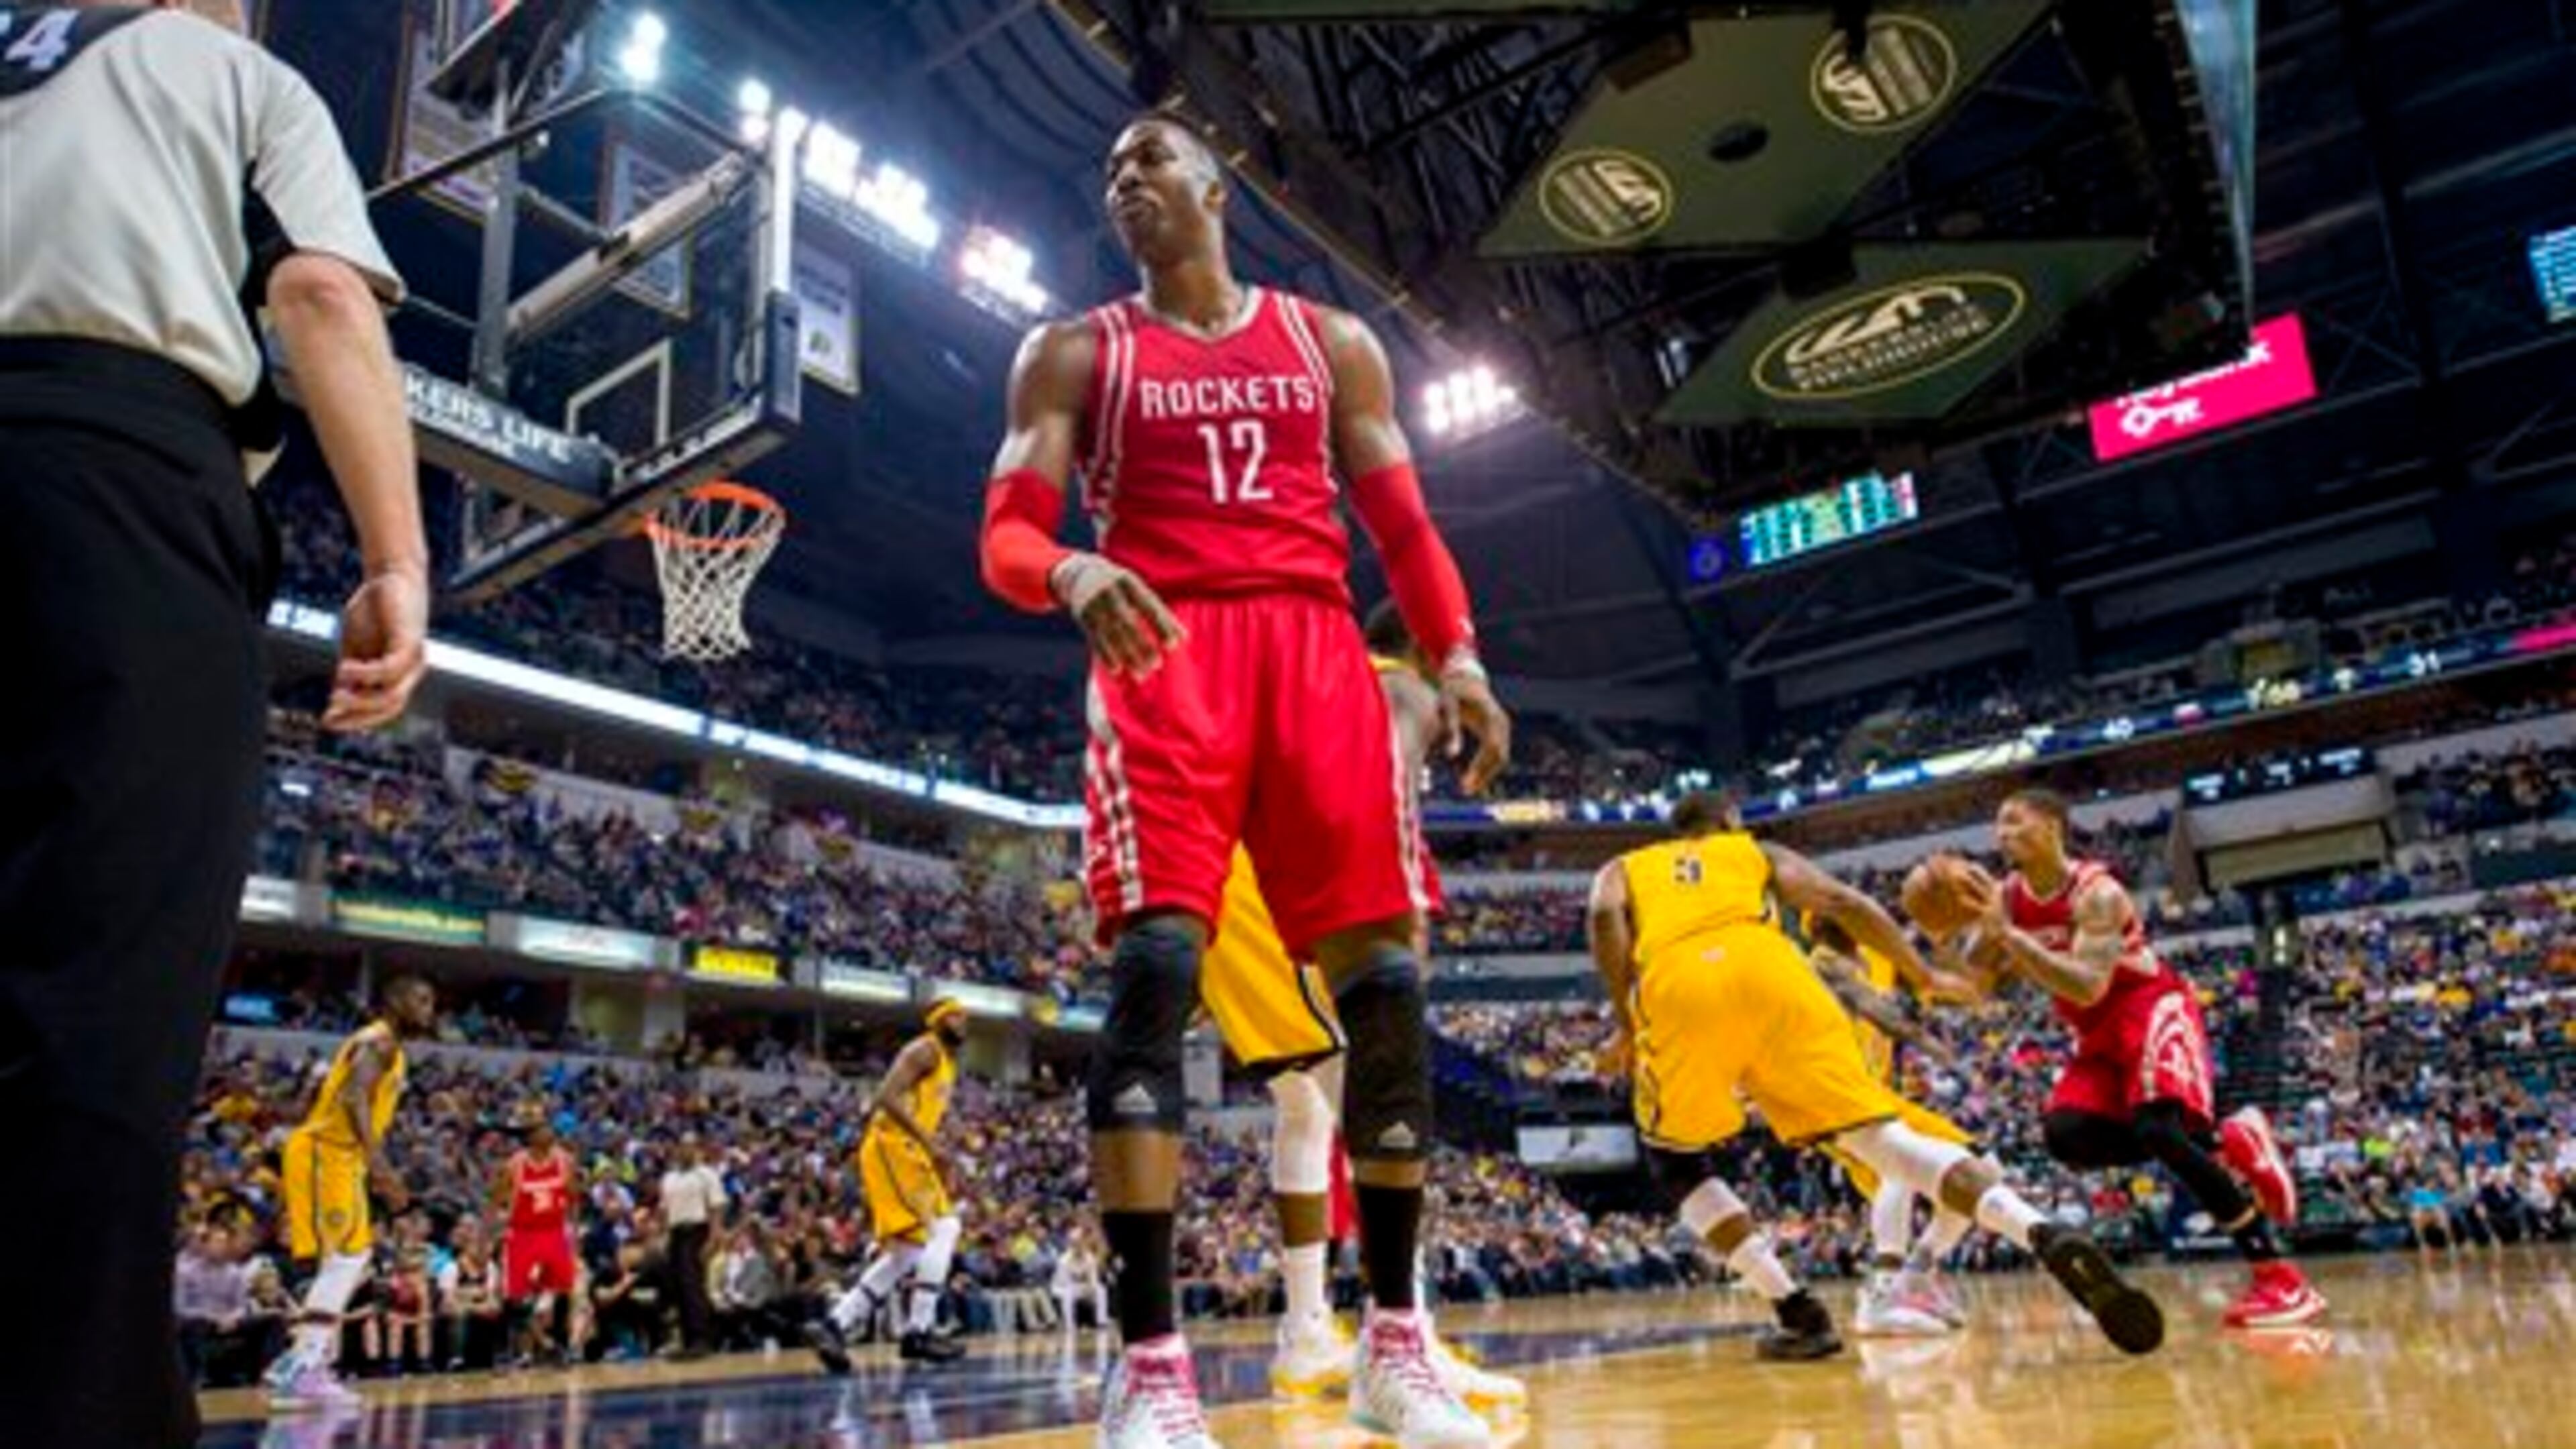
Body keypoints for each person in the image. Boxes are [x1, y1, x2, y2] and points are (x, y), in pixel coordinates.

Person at [977, 112, 1510, 1449]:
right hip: (1165, 648)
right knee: (1158, 971)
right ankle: (1149, 1369)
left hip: (1318, 653)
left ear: (1217, 184)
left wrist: (1460, 661)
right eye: (1106, 171)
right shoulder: (1075, 350)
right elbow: (1007, 532)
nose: (1124, 182)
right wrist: (1073, 568)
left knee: (1385, 995)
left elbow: (1404, 525)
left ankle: (1396, 1346)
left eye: (1148, 159)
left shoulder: (1330, 343)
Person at [0, 3, 425, 1443]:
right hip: (115, 482)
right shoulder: (228, 71)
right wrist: (397, 563)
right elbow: (318, 294)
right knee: (98, 995)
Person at [1586, 794, 2163, 1362]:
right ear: (1731, 823)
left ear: (1672, 833)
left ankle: (1797, 1309)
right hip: (1776, 975)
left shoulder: (1626, 868)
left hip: (1679, 981)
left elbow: (1602, 916)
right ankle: (2038, 1231)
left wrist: (1626, 1022)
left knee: (1676, 1160)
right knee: (1890, 1147)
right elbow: (1842, 900)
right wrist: (1923, 972)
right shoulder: (1752, 852)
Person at [1199, 605, 1524, 1413]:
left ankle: (1307, 1332)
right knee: (1378, 1106)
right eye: (1458, 654)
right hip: (1278, 895)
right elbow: (1368, 810)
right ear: (1421, 647)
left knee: (1307, 1111)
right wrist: (1392, 926)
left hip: (1229, 887)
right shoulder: (1391, 685)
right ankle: (1400, 1341)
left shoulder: (1327, 679)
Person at [1970, 788, 2326, 1329]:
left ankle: (2279, 1277)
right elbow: (1979, 972)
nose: (2002, 834)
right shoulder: (2006, 897)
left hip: (2148, 1008)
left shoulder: (2097, 893)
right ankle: (2229, 1140)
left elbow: (2089, 986)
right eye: (1998, 824)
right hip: (2094, 1033)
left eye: (2014, 821)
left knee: (2159, 1130)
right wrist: (1958, 927)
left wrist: (2012, 940)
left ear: (2051, 825)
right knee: (2066, 1135)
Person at [1799, 914, 1990, 1336]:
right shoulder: (1816, 967)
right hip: (1840, 1102)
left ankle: (1917, 1274)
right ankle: (1884, 1289)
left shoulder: (1880, 959)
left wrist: (1947, 939)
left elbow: (1951, 987)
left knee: (1983, 1171)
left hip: (1887, 1098)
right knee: (1897, 1171)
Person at [262, 975, 438, 1407]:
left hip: (342, 1159)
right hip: (327, 1154)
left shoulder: (388, 1050)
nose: (429, 1010)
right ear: (394, 1002)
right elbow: (353, 1096)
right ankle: (298, 1365)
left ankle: (311, 1366)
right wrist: (381, 1168)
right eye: (422, 999)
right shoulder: (379, 1042)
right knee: (341, 1259)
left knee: (351, 1258)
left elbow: (334, 1095)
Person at [810, 1000, 974, 1368]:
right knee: (945, 1228)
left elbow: (923, 1110)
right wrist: (928, 1141)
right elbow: (885, 1096)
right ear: (938, 1018)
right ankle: (919, 1330)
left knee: (909, 1254)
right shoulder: (924, 1048)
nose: (964, 1022)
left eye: (966, 1017)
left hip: (908, 1149)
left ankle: (836, 1324)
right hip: (893, 1145)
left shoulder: (947, 1063)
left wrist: (940, 1143)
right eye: (956, 1015)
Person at [493, 1108, 581, 1366]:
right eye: (543, 1129)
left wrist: (573, 1231)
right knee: (513, 1296)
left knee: (565, 1289)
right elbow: (497, 1199)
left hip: (554, 1231)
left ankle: (561, 1347)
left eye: (549, 1128)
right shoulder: (514, 1165)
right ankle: (503, 1351)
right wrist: (495, 1230)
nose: (550, 1132)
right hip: (523, 1233)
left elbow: (574, 1197)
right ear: (531, 1137)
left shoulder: (565, 1160)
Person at [659, 1133, 729, 1359]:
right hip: (676, 1232)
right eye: (681, 1146)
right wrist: (663, 1236)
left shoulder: (707, 1175)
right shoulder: (669, 1177)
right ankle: (687, 1340)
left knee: (693, 1286)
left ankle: (702, 1339)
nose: (684, 1150)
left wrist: (714, 1237)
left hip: (697, 1230)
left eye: (689, 1146)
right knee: (678, 1286)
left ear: (697, 1149)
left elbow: (716, 1207)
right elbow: (664, 1210)